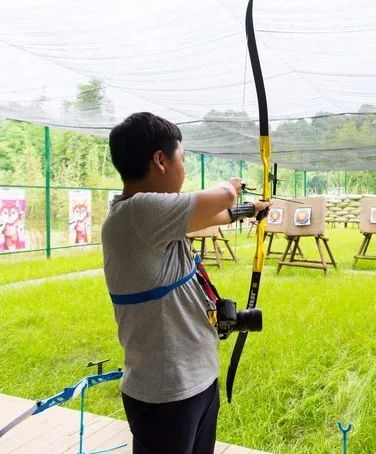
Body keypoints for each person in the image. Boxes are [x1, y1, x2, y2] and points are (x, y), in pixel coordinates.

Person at [102, 112, 270, 453]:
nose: (185, 169)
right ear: (160, 160)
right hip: (167, 392)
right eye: (182, 159)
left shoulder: (150, 217)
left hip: (194, 380)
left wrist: (250, 209)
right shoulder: (139, 212)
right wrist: (233, 188)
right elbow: (222, 199)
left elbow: (215, 215)